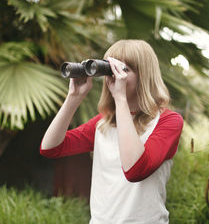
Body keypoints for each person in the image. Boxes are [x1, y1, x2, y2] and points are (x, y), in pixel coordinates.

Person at [40, 39, 184, 224]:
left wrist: (120, 99)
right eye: (109, 68)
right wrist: (73, 98)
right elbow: (50, 148)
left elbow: (135, 171)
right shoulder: (104, 123)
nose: (114, 75)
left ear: (144, 75)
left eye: (124, 69)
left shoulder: (168, 121)